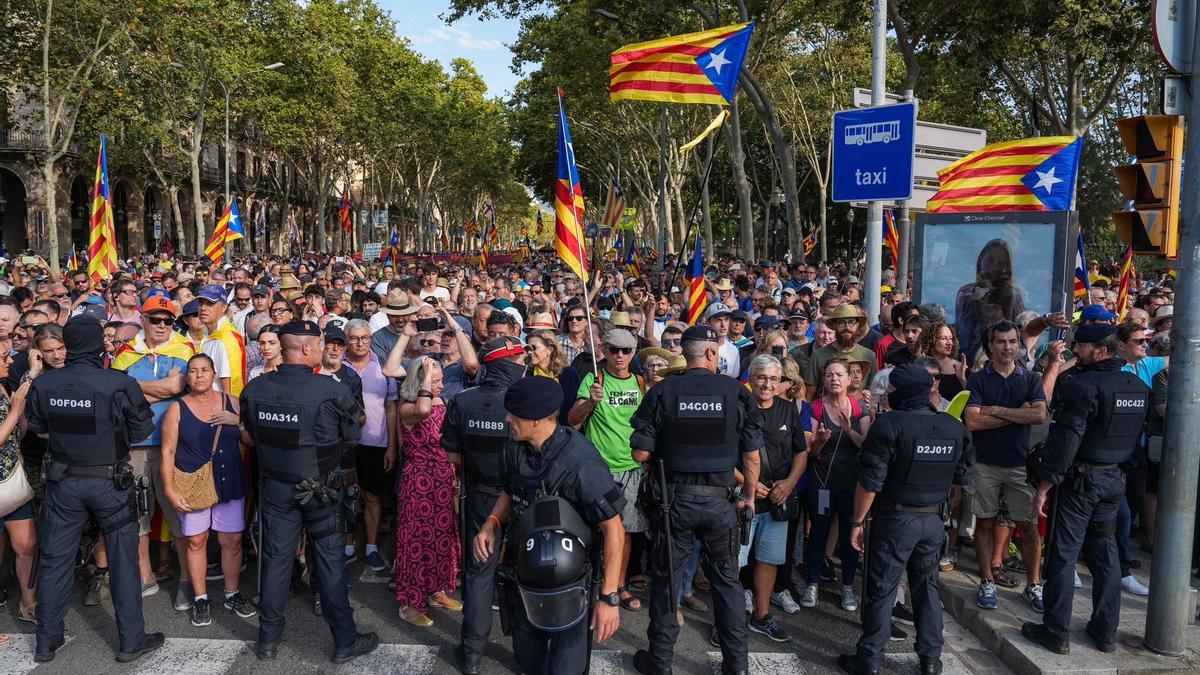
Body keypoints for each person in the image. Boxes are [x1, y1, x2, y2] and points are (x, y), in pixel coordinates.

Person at [239, 319, 377, 663]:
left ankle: (267, 639)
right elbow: (352, 434)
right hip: (321, 492)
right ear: (305, 348)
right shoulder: (330, 390)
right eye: (318, 342)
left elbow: (251, 436)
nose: (322, 347)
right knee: (329, 564)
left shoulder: (255, 390)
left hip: (276, 489)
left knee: (275, 561)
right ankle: (344, 640)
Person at [27, 315, 163, 663]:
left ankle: (46, 641)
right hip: (109, 483)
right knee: (122, 561)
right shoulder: (118, 383)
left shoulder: (46, 385)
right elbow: (141, 431)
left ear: (68, 345)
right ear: (98, 343)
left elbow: (39, 429)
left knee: (55, 561)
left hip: (63, 482)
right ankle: (131, 640)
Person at [630, 325, 764, 675]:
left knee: (667, 583)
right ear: (710, 354)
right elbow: (752, 457)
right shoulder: (736, 392)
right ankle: (737, 667)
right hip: (721, 504)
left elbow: (640, 453)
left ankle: (660, 663)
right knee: (727, 584)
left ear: (685, 354)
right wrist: (748, 496)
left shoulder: (664, 391)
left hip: (674, 503)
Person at [472, 376, 625, 675]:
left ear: (536, 419)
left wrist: (609, 598)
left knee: (565, 669)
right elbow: (509, 490)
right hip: (524, 579)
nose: (507, 419)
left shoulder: (582, 462)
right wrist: (491, 523)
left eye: (513, 414)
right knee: (528, 663)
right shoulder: (513, 449)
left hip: (570, 585)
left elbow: (613, 528)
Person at [836, 364, 973, 675]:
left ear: (899, 392)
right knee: (927, 588)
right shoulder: (954, 427)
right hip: (933, 521)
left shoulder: (890, 425)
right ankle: (930, 660)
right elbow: (962, 478)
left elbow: (870, 483)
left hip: (895, 520)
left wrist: (857, 523)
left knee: (882, 588)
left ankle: (869, 659)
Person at [1022, 323, 1149, 655]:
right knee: (1104, 551)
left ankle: (1056, 632)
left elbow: (1066, 442)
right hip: (1114, 480)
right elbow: (1135, 442)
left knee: (1063, 555)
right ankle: (1106, 631)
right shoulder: (1136, 386)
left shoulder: (1081, 386)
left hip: (1081, 481)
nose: (1075, 352)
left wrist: (1044, 487)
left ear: (1101, 351)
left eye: (1081, 346)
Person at [444, 336, 529, 674]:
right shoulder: (527, 402)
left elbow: (452, 454)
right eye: (519, 358)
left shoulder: (463, 402)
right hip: (521, 497)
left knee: (479, 575)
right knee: (526, 574)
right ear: (508, 365)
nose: (524, 363)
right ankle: (525, 655)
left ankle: (472, 654)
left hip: (481, 496)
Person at [109, 295, 195, 610]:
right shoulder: (125, 353)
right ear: (141, 319)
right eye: (155, 319)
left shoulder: (185, 349)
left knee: (181, 514)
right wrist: (165, 388)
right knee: (138, 515)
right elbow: (119, 394)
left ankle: (188, 579)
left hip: (174, 444)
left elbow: (182, 389)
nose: (161, 325)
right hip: (134, 446)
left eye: (167, 320)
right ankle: (145, 576)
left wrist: (137, 388)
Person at [160, 354, 255, 627]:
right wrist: (169, 489)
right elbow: (167, 451)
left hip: (229, 481)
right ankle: (200, 597)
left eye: (204, 370)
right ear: (187, 377)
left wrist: (236, 420)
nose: (199, 375)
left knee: (232, 541)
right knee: (196, 541)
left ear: (214, 374)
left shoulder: (231, 402)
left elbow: (250, 441)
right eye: (193, 371)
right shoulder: (177, 408)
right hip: (193, 483)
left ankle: (232, 593)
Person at [963, 320, 1047, 611]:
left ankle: (1034, 585)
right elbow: (972, 421)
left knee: (1028, 525)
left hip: (1019, 464)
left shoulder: (1030, 378)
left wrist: (996, 410)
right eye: (1001, 342)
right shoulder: (977, 379)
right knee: (985, 523)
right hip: (985, 463)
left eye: (1012, 341)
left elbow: (1039, 416)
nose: (1008, 347)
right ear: (990, 346)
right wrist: (1017, 413)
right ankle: (987, 580)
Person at [569, 328, 646, 612]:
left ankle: (618, 584)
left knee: (624, 532)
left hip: (631, 469)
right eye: (615, 350)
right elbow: (573, 420)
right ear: (604, 350)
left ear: (633, 352)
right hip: (597, 470)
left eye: (626, 351)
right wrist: (590, 402)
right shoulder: (593, 379)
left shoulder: (640, 382)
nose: (620, 356)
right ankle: (585, 581)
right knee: (591, 531)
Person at [741, 355, 809, 641]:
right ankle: (728, 621)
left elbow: (801, 451)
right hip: (745, 499)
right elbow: (726, 454)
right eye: (761, 377)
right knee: (735, 563)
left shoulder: (788, 410)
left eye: (773, 378)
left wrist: (791, 483)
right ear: (751, 379)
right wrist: (748, 483)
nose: (767, 384)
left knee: (768, 560)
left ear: (781, 382)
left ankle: (761, 615)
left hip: (778, 501)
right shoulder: (739, 408)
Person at [394, 355, 462, 627]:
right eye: (436, 381)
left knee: (441, 536)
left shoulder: (440, 402)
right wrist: (425, 375)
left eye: (442, 380)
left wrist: (455, 473)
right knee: (416, 539)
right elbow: (422, 410)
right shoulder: (409, 407)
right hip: (418, 478)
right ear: (420, 381)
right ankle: (411, 604)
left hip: (442, 477)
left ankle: (436, 591)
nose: (441, 386)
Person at [802, 358, 871, 611]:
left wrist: (848, 430)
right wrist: (820, 440)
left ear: (848, 379)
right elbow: (811, 451)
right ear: (824, 379)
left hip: (851, 485)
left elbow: (865, 444)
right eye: (829, 374)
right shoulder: (816, 407)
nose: (834, 379)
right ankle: (812, 583)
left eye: (839, 375)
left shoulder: (857, 406)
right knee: (818, 533)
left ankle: (848, 587)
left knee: (849, 536)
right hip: (822, 483)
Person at [341, 319, 398, 573]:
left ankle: (372, 546)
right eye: (354, 338)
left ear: (371, 339)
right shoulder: (335, 365)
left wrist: (392, 446)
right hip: (344, 444)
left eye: (364, 337)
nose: (360, 342)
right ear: (346, 340)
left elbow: (391, 407)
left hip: (376, 441)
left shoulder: (383, 368)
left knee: (372, 496)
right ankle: (348, 545)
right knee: (347, 496)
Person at [0, 330, 36, 624]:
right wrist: (17, 408)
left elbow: (16, 435)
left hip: (13, 482)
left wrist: (19, 413)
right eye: (3, 357)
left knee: (27, 546)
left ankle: (30, 604)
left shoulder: (3, 387)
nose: (10, 360)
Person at [955, 239, 1026, 362]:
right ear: (981, 260)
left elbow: (1021, 334)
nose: (993, 267)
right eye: (991, 260)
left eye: (1000, 263)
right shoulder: (966, 293)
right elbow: (958, 333)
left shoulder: (1012, 295)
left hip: (998, 364)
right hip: (965, 362)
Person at [804, 304, 876, 401]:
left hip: (859, 414)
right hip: (824, 413)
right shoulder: (818, 356)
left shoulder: (869, 356)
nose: (847, 327)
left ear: (857, 325)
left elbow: (873, 393)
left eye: (851, 322)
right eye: (841, 323)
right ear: (834, 325)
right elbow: (809, 398)